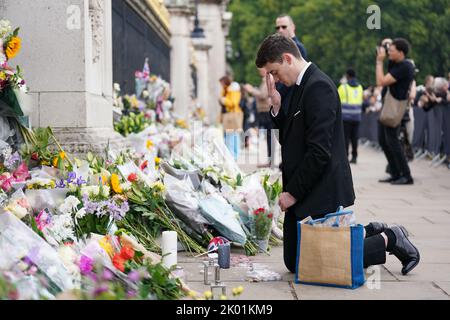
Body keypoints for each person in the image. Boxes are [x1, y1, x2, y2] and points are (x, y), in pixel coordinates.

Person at [255, 34, 420, 275]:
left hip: (321, 189)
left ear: (287, 58)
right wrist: (277, 107)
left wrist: (293, 193)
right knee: (294, 261)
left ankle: (390, 238)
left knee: (321, 262)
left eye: (275, 72)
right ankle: (367, 231)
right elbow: (291, 137)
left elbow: (319, 152)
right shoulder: (300, 86)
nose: (275, 79)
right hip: (305, 186)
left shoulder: (318, 87)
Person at [376, 38, 415, 185]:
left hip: (395, 108)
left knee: (393, 142)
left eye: (392, 50)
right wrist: (386, 47)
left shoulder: (404, 66)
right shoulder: (398, 64)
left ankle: (406, 175)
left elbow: (381, 81)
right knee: (384, 140)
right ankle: (395, 172)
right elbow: (390, 63)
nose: (388, 52)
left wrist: (379, 61)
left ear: (401, 53)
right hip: (389, 106)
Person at [244, 68, 273, 167]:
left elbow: (263, 95)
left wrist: (252, 90)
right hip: (263, 111)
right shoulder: (264, 80)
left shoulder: (267, 80)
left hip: (266, 111)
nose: (259, 71)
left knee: (270, 136)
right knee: (268, 136)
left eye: (261, 69)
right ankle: (270, 160)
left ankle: (270, 161)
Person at [338, 68, 364, 164]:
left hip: (346, 117)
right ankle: (354, 156)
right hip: (357, 117)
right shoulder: (360, 87)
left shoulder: (343, 87)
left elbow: (336, 99)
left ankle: (345, 156)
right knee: (354, 137)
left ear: (347, 76)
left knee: (345, 138)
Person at [219, 75, 243, 161]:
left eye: (221, 83)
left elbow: (234, 103)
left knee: (232, 136)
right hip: (228, 115)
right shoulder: (226, 90)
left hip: (232, 115)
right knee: (231, 135)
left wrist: (224, 100)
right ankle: (232, 155)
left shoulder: (233, 90)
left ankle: (232, 155)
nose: (221, 85)